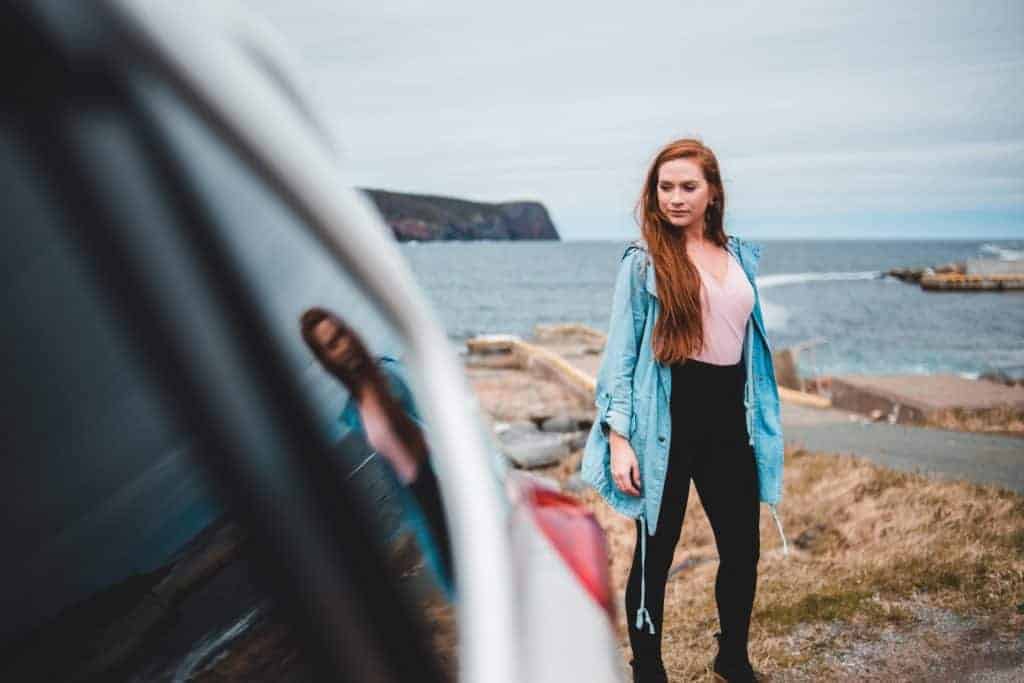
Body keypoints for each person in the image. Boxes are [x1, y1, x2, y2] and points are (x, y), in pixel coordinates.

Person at [580, 139, 786, 683]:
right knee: (656, 554)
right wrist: (618, 438)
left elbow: (748, 344)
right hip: (663, 422)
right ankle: (648, 670)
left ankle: (732, 659)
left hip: (729, 421)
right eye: (665, 187)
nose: (675, 198)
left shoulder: (739, 256)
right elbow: (620, 354)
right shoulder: (644, 262)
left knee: (742, 550)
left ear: (712, 192)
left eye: (687, 186)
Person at [300, 307, 454, 597]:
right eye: (332, 345)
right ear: (325, 359)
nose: (343, 346)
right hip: (422, 506)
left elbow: (443, 429)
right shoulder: (356, 407)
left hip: (447, 494)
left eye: (341, 335)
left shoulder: (390, 378)